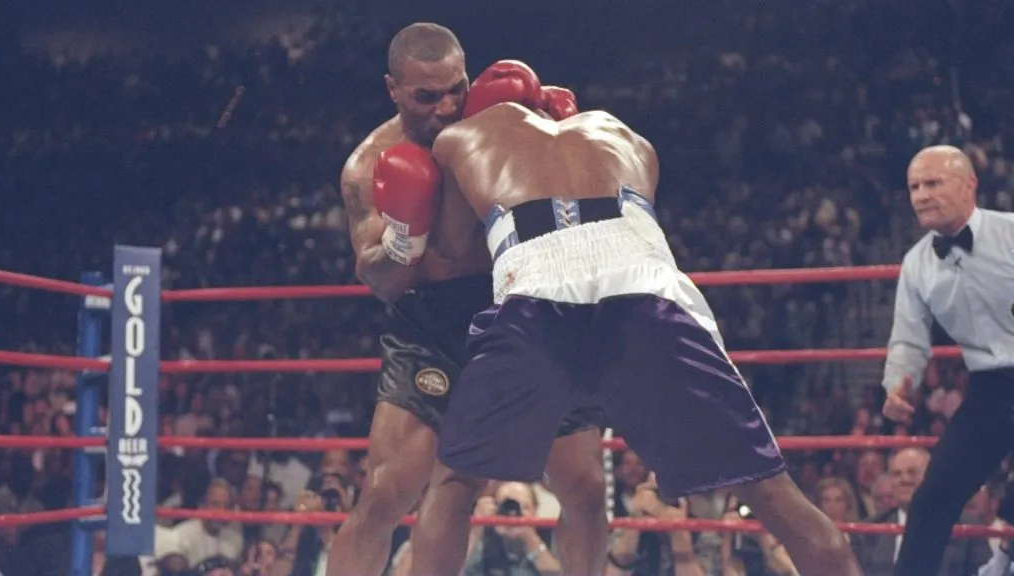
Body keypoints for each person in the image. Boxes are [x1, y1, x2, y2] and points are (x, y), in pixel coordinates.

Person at [408, 59, 861, 576]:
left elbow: (446, 254)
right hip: (648, 290)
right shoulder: (629, 137)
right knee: (770, 490)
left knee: (455, 483)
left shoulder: (461, 139)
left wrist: (401, 232)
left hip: (536, 289)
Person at [329, 24, 608, 575]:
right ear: (393, 89)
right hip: (434, 323)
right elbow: (382, 281)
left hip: (526, 304)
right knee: (390, 493)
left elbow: (584, 197)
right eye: (425, 97)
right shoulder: (370, 165)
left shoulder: (505, 123)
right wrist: (404, 238)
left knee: (585, 484)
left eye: (455, 89)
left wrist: (560, 133)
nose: (446, 107)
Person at [881, 144, 1014, 576]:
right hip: (989, 389)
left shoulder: (1010, 233)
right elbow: (907, 339)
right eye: (914, 187)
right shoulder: (917, 263)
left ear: (968, 185)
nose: (921, 195)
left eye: (933, 183)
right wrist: (898, 385)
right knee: (933, 497)